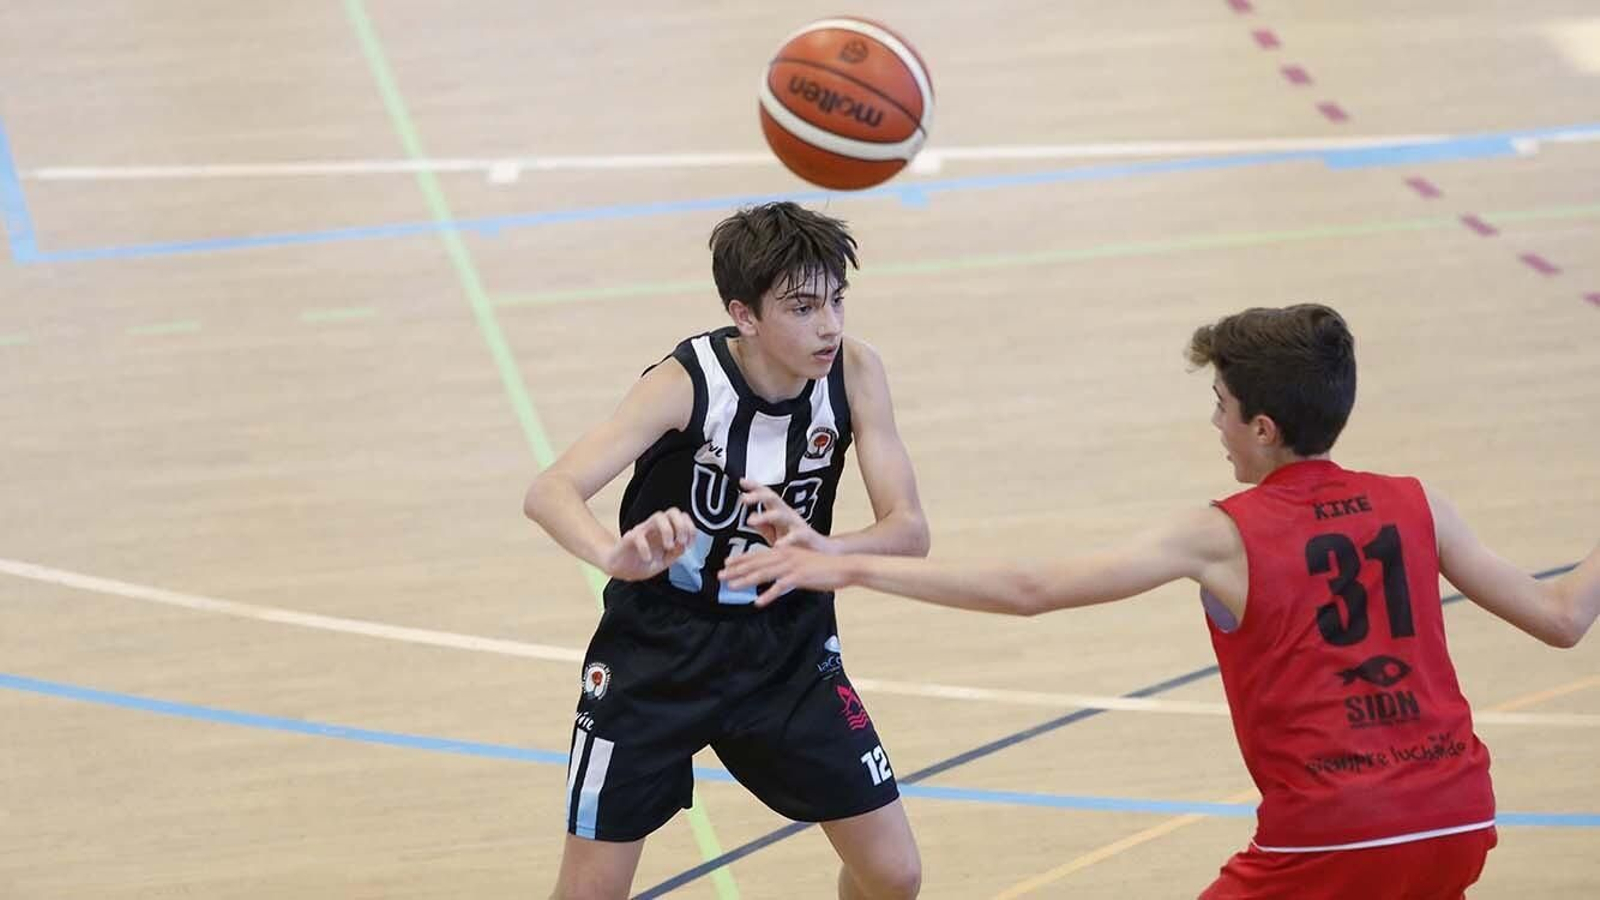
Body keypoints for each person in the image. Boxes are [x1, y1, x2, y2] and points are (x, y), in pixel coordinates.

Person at [723, 303, 1600, 899]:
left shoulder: (1223, 533)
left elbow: (1032, 591)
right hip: (1459, 817)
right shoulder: (1419, 501)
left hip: (1331, 833)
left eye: (1221, 406)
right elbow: (1562, 619)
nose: (1214, 424)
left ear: (1262, 426)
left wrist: (844, 564)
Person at [523, 201, 930, 899]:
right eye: (803, 307)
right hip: (658, 650)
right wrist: (612, 554)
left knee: (894, 875)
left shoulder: (856, 373)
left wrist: (823, 547)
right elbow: (552, 489)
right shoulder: (686, 383)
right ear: (745, 315)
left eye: (837, 300)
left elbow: (909, 531)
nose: (829, 324)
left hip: (787, 646)